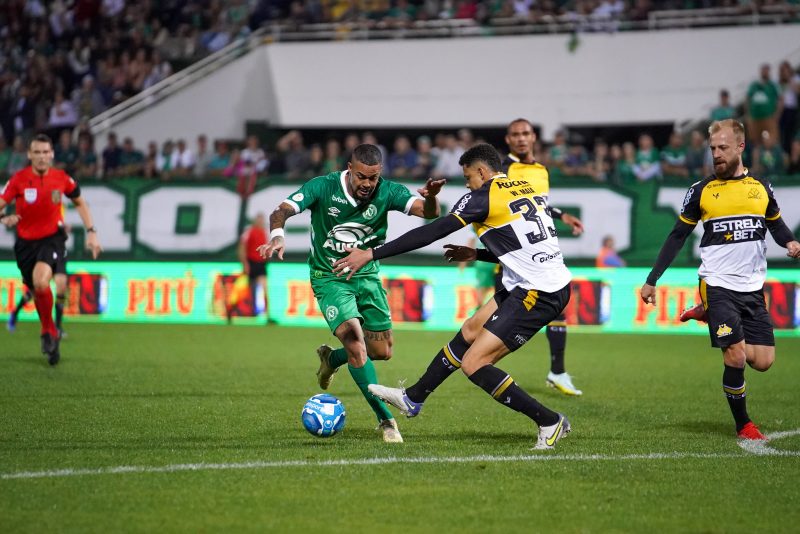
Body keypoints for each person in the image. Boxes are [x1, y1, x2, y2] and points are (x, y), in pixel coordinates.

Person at [335, 143, 573, 450]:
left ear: (481, 171)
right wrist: (477, 253)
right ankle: (413, 398)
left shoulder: (483, 195)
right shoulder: (523, 188)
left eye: (467, 177)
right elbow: (524, 243)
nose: (467, 184)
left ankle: (549, 421)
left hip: (538, 291)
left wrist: (371, 253)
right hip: (536, 282)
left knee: (475, 364)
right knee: (472, 329)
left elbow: (433, 231)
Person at [257, 144, 444, 443]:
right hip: (329, 278)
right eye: (361, 177)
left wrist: (432, 197)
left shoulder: (388, 191)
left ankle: (332, 360)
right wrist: (277, 235)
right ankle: (386, 420)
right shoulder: (323, 186)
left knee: (382, 352)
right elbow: (282, 211)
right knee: (357, 343)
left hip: (367, 276)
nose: (368, 184)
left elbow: (428, 213)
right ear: (349, 168)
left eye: (373, 178)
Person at [640, 119, 800, 441]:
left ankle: (706, 312)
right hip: (717, 282)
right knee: (736, 356)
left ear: (741, 147)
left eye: (723, 148)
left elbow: (777, 225)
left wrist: (790, 242)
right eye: (713, 148)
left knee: (764, 361)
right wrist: (652, 280)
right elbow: (677, 236)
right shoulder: (701, 191)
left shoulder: (761, 188)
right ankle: (744, 425)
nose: (716, 154)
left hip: (752, 287)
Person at [0, 134, 102, 365]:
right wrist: (4, 218)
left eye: (46, 152)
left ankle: (48, 331)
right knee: (37, 290)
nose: (42, 157)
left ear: (52, 154)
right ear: (29, 155)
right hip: (25, 245)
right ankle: (51, 331)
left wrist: (92, 231)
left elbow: (79, 201)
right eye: (37, 152)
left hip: (52, 239)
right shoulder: (18, 180)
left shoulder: (62, 178)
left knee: (41, 280)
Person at [502, 118, 585, 396]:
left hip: (539, 255)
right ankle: (475, 364)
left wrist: (563, 216)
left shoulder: (541, 169)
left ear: (534, 137)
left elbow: (539, 204)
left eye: (525, 133)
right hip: (514, 256)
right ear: (508, 139)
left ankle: (557, 372)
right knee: (494, 321)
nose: (521, 139)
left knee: (556, 311)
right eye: (516, 135)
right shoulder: (504, 169)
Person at [6, 216, 70, 339]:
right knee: (36, 289)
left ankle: (58, 327)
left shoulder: (58, 203)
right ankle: (16, 312)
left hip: (58, 246)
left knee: (61, 285)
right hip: (43, 248)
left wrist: (63, 227)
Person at [238, 212, 270, 322]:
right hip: (251, 263)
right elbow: (242, 247)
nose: (261, 222)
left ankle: (267, 316)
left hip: (261, 264)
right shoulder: (249, 231)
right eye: (259, 220)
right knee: (247, 290)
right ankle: (236, 311)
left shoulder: (264, 232)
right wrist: (245, 264)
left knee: (264, 288)